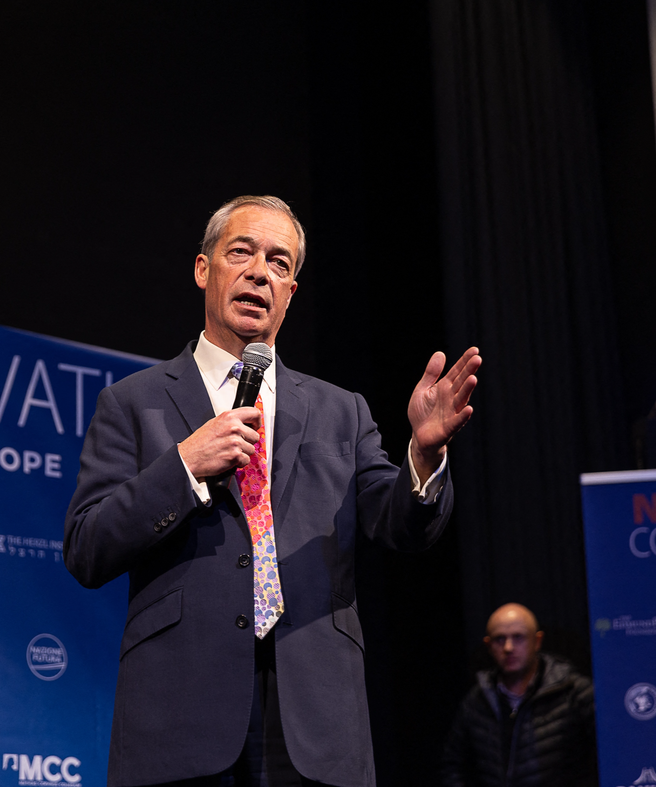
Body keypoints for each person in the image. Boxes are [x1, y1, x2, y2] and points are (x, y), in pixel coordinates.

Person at [64, 195, 481, 787]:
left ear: (290, 293)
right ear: (204, 269)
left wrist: (425, 453)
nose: (261, 271)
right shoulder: (134, 403)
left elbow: (400, 524)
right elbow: (86, 546)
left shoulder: (341, 410)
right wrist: (183, 466)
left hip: (315, 721)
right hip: (181, 716)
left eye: (280, 263)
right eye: (242, 252)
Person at [438, 603, 597, 787]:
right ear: (488, 646)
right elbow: (452, 765)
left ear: (537, 641)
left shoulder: (575, 693)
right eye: (499, 639)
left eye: (518, 637)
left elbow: (611, 755)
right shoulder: (477, 700)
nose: (508, 647)